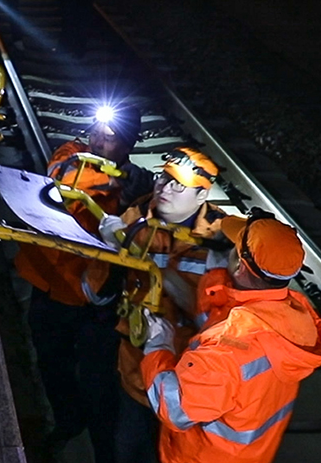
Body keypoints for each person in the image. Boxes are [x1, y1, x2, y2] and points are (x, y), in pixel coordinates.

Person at [14, 103, 154, 463]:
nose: (97, 139)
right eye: (96, 130)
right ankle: (67, 421)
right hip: (50, 286)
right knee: (51, 363)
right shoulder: (72, 154)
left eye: (109, 138)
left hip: (96, 302)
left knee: (98, 382)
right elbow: (62, 178)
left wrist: (130, 198)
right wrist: (114, 183)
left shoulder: (139, 190)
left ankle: (101, 446)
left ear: (128, 144)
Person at [140, 208, 321, 463]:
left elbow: (173, 408)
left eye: (234, 247)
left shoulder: (227, 350)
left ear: (240, 265)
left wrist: (158, 344)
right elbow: (224, 323)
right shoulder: (294, 316)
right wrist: (210, 278)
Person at [97, 147, 225, 463]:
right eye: (164, 178)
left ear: (201, 195)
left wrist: (155, 271)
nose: (166, 188)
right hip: (134, 365)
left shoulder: (220, 243)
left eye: (179, 184)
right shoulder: (139, 215)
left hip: (181, 377)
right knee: (126, 448)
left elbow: (215, 320)